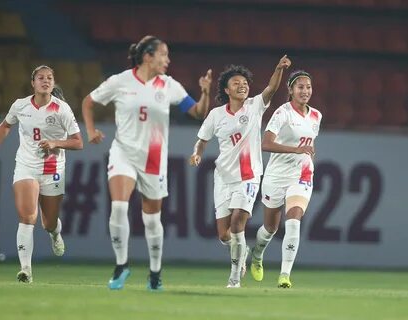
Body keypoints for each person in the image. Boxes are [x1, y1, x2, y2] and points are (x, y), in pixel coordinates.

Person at [82, 35, 212, 291]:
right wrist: (90, 131)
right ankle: (121, 266)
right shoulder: (120, 81)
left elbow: (198, 112)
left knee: (152, 220)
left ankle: (155, 272)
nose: (168, 60)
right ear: (148, 57)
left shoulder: (169, 85)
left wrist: (206, 93)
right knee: (118, 207)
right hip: (123, 152)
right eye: (163, 54)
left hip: (153, 157)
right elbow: (89, 102)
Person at [189, 56, 292, 288]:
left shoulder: (254, 106)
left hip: (249, 176)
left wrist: (278, 69)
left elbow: (272, 89)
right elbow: (202, 140)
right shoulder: (216, 114)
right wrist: (197, 153)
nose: (242, 85)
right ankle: (241, 252)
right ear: (226, 89)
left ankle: (234, 277)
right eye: (236, 82)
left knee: (238, 223)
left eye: (245, 82)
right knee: (224, 234)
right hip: (223, 178)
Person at [0, 66, 83, 283]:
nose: (45, 81)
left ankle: (55, 233)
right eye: (41, 78)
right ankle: (26, 270)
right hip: (26, 166)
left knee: (48, 222)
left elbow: (78, 142)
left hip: (52, 169)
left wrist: (56, 142)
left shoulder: (62, 109)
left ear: (53, 82)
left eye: (49, 78)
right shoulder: (20, 105)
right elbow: (5, 126)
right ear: (33, 82)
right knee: (27, 217)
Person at [249, 70, 322, 288]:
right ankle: (257, 253)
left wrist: (307, 152)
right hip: (277, 175)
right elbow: (266, 143)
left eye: (308, 87)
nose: (305, 91)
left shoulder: (316, 115)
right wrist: (296, 150)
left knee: (293, 221)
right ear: (290, 90)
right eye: (300, 87)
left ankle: (284, 275)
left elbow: (309, 143)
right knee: (270, 228)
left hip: (302, 174)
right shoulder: (282, 113)